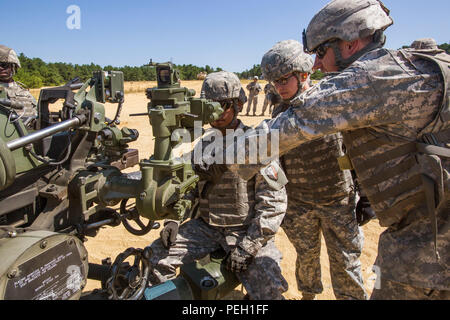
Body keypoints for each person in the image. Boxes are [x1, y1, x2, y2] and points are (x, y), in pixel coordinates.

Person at [218, 0, 449, 300]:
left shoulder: (366, 80)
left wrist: (225, 156)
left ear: (351, 41)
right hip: (429, 233)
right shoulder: (419, 65)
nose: (315, 64)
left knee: (349, 269)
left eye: (321, 52)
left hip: (422, 252)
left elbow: (290, 127)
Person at [146, 71, 289, 300]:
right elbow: (189, 187)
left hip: (245, 231)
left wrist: (248, 246)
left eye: (224, 104)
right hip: (206, 227)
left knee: (269, 288)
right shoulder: (203, 144)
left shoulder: (257, 143)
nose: (217, 112)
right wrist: (173, 219)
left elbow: (274, 202)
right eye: (210, 105)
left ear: (239, 104)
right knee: (155, 257)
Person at [261, 39, 367, 300]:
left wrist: (365, 194)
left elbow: (358, 148)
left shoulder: (330, 103)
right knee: (306, 258)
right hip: (300, 205)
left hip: (337, 201)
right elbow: (274, 164)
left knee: (346, 262)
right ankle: (308, 296)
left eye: (284, 79)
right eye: (276, 82)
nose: (280, 87)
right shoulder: (278, 114)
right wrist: (282, 200)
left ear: (304, 73)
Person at [0, 45, 37, 125]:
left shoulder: (25, 93)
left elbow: (35, 116)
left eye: (4, 65)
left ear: (13, 66)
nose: (0, 68)